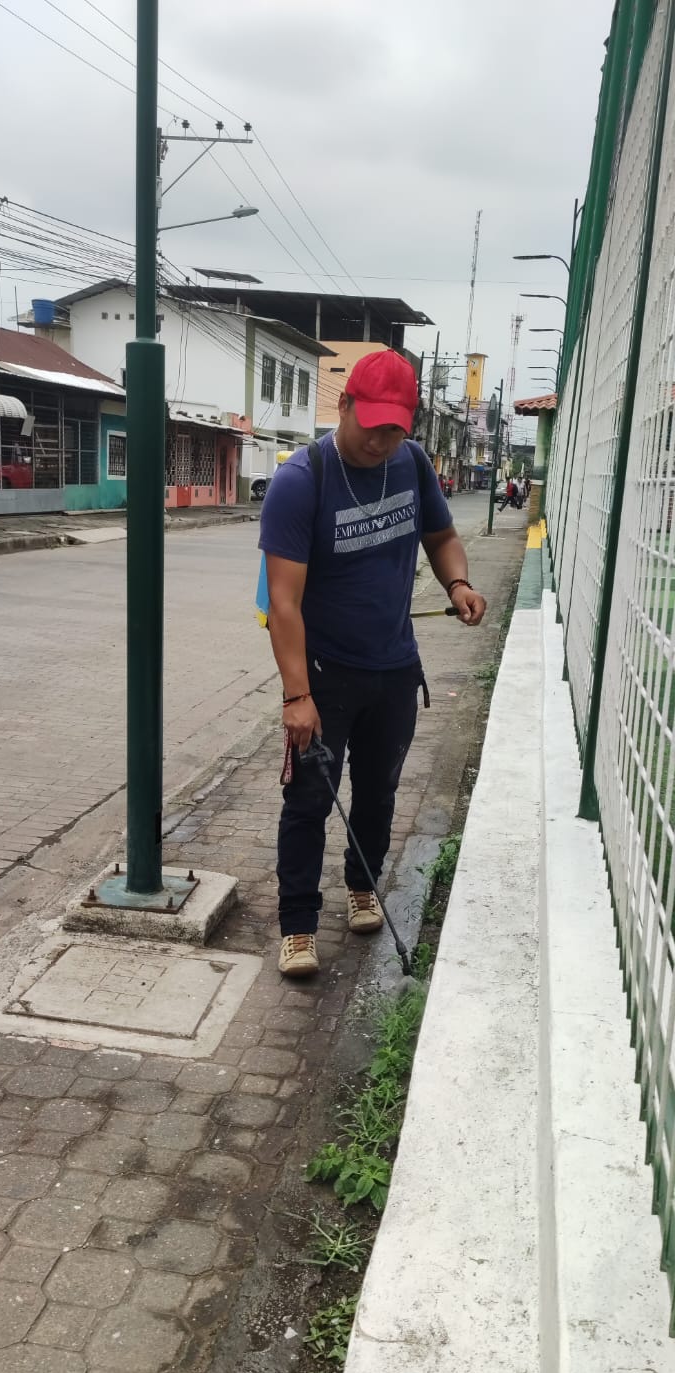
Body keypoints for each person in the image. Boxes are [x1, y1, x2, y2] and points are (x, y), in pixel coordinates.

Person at [259, 348, 487, 976]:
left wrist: (458, 584)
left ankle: (363, 885)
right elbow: (283, 603)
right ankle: (298, 926)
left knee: (378, 793)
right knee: (309, 800)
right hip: (323, 674)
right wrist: (296, 695)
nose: (381, 441)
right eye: (372, 425)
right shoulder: (302, 480)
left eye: (395, 428)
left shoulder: (412, 463)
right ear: (345, 405)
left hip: (394, 669)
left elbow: (441, 536)